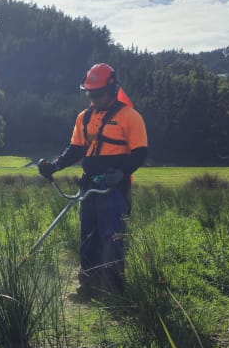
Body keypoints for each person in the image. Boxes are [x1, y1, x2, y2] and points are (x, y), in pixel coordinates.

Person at [37, 63, 148, 298]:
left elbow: (139, 153)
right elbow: (76, 149)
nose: (94, 98)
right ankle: (88, 284)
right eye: (90, 94)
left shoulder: (130, 116)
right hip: (89, 185)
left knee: (113, 235)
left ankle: (114, 288)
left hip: (115, 188)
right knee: (88, 235)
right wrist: (55, 166)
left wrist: (120, 173)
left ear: (113, 88)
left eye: (99, 94)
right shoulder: (84, 117)